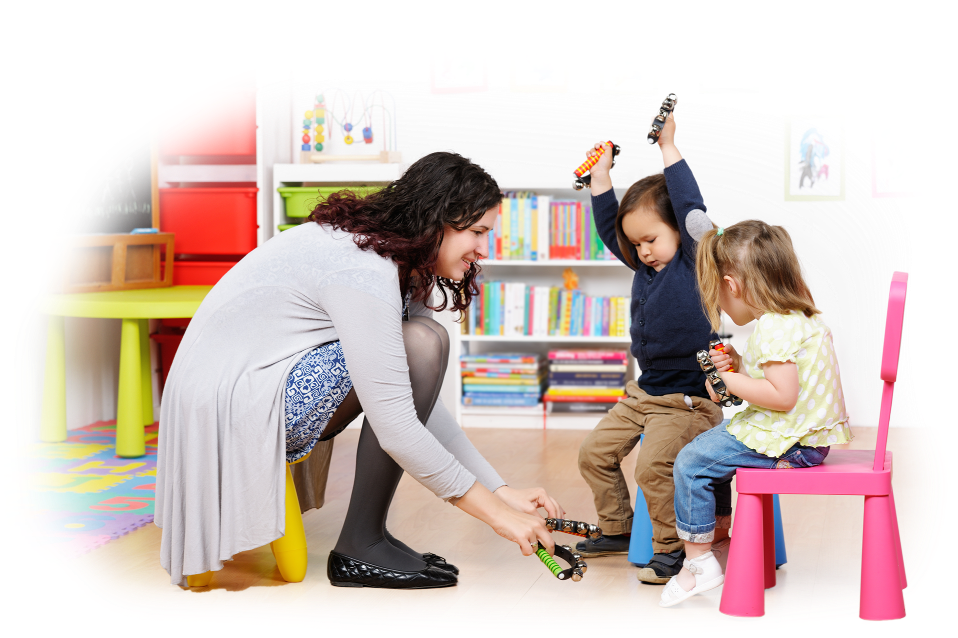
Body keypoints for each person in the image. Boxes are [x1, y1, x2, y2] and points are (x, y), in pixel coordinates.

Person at [155, 151, 565, 589]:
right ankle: (361, 543)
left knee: (422, 342)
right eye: (477, 232)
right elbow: (397, 424)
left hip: (260, 385)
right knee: (422, 343)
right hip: (229, 407)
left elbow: (408, 402)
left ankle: (368, 536)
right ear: (435, 220)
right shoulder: (364, 269)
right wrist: (495, 515)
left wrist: (499, 491)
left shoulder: (400, 263)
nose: (484, 249)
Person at [659, 219, 852, 607]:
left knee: (691, 462)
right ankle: (722, 542)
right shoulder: (797, 319)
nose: (721, 306)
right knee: (710, 456)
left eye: (719, 296)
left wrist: (727, 382)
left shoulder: (773, 328)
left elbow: (780, 397)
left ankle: (698, 562)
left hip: (789, 443)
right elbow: (778, 384)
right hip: (804, 438)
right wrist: (739, 366)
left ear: (732, 286)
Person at [574, 113, 726, 585]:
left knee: (654, 469)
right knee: (592, 453)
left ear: (679, 231)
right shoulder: (645, 268)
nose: (643, 250)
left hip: (687, 401)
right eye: (636, 243)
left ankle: (674, 550)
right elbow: (608, 229)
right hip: (644, 394)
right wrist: (602, 178)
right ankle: (619, 529)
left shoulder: (692, 259)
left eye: (652, 239)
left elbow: (688, 203)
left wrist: (668, 146)